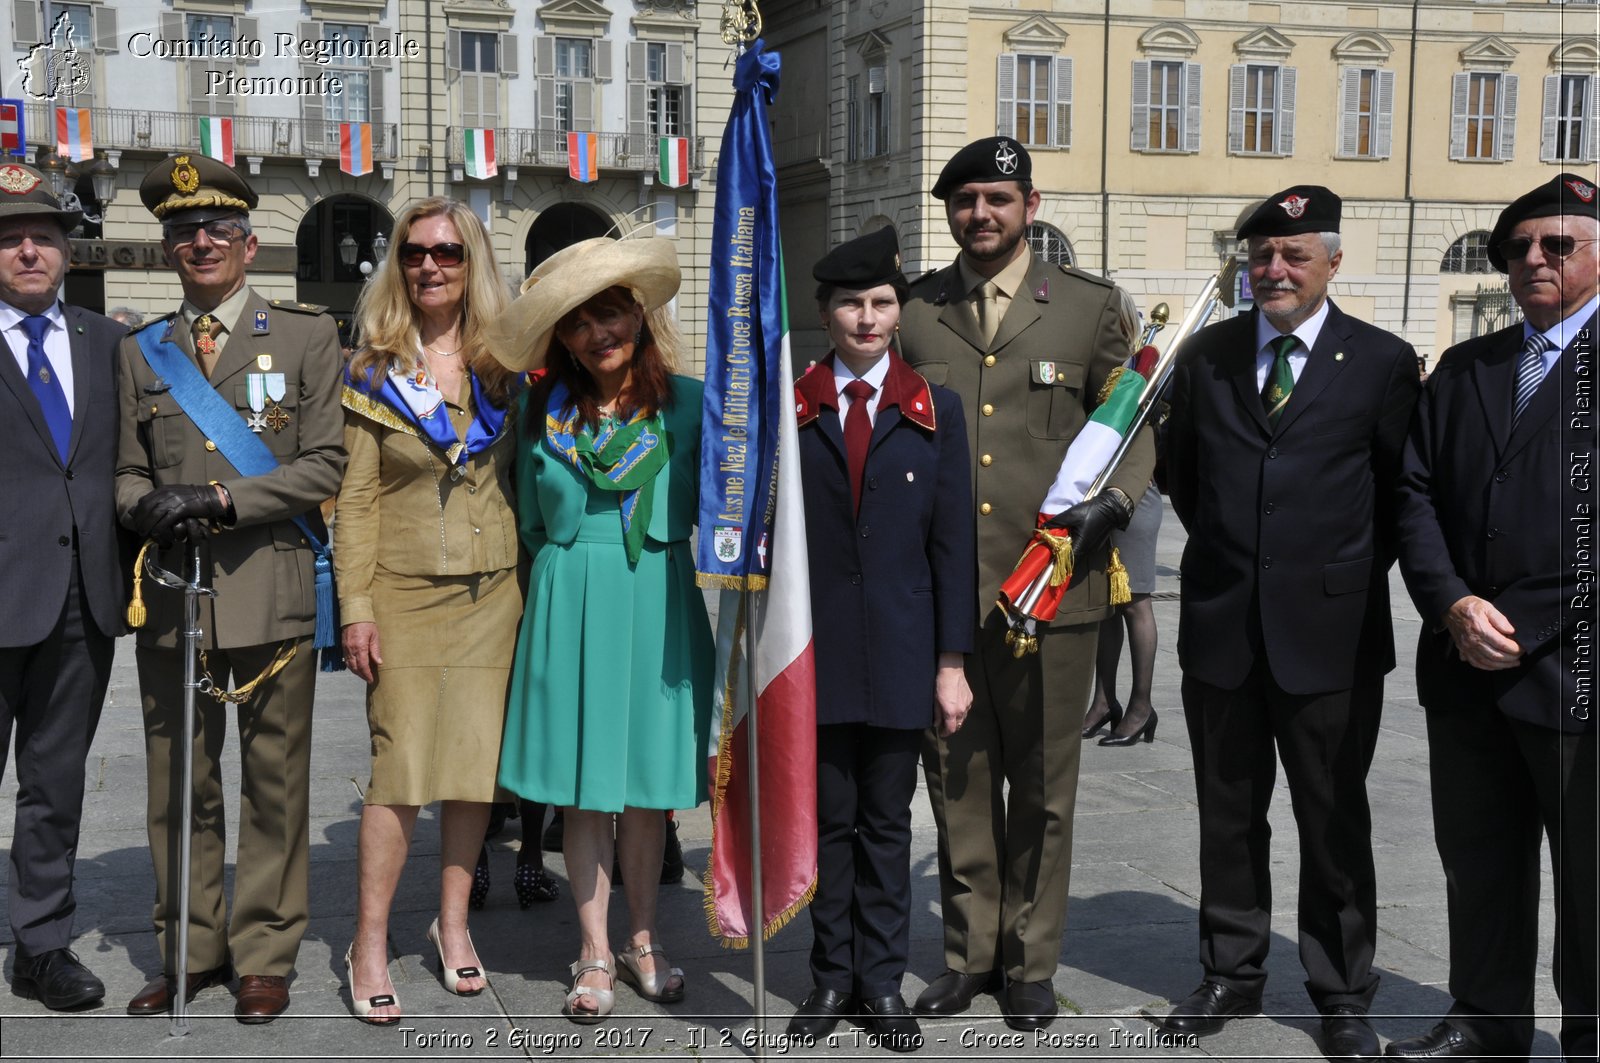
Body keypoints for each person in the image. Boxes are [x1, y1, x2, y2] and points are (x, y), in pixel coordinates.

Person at [898, 137, 1155, 1031]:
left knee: (1046, 788)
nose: (981, 214)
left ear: (1030, 205)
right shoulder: (917, 310)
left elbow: (1135, 421)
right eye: (965, 200)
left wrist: (1116, 503)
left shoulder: (1086, 310)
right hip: (948, 599)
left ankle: (1031, 961)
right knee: (959, 783)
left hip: (1055, 589)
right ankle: (969, 955)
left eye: (998, 198)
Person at [1159, 186, 1419, 1061]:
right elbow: (1186, 480)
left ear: (1332, 263)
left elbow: (1395, 495)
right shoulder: (1209, 357)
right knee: (1228, 812)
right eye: (1262, 255)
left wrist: (1331, 574)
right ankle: (1230, 969)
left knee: (1333, 814)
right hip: (1224, 627)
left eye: (1294, 255)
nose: (1274, 269)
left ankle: (1343, 988)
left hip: (1333, 634)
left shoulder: (1382, 361)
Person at [114, 154, 346, 1023]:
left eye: (215, 230)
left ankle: (264, 951)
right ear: (169, 248)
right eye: (181, 232)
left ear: (250, 245)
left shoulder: (303, 335)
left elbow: (324, 461)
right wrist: (146, 509)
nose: (198, 242)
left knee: (275, 782)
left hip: (271, 592)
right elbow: (127, 473)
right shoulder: (143, 353)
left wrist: (219, 497)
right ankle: (189, 947)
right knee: (181, 782)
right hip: (173, 595)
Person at [1386, 174, 1598, 1062]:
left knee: (1588, 880)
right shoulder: (1470, 367)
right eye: (1518, 248)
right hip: (1468, 668)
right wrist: (1453, 603)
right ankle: (1487, 1018)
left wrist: (1515, 619)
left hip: (1575, 670)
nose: (1534, 259)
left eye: (1559, 244)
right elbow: (1414, 492)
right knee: (1479, 861)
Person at [486, 237, 713, 1025]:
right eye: (577, 322)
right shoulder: (538, 408)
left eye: (610, 311)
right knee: (585, 792)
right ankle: (591, 947)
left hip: (655, 596)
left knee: (646, 792)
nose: (597, 332)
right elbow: (524, 514)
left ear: (639, 317)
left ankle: (643, 937)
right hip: (569, 594)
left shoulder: (690, 404)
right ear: (562, 339)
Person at [784, 227, 976, 1052]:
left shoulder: (933, 409)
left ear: (900, 312)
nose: (868, 317)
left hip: (902, 653)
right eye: (852, 303)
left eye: (883, 302)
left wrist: (952, 663)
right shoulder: (792, 408)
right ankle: (830, 976)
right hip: (817, 654)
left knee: (889, 824)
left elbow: (952, 546)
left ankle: (881, 980)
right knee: (829, 822)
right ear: (824, 312)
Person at [335, 197, 523, 1024]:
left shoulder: (507, 363)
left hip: (493, 592)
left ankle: (453, 928)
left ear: (471, 259)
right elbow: (357, 501)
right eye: (415, 254)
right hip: (405, 593)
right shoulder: (373, 370)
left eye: (447, 252)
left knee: (472, 769)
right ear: (398, 265)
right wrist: (356, 607)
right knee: (401, 769)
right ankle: (369, 941)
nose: (431, 267)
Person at [0, 163, 127, 1012]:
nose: (28, 250)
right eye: (10, 238)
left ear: (67, 249)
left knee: (56, 782)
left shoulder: (107, 343)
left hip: (81, 596)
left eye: (43, 235)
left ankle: (40, 943)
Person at [1083, 287, 1163, 747]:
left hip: (1133, 494)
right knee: (1105, 605)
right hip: (1096, 492)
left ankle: (1141, 705)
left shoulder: (1141, 369)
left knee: (1134, 601)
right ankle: (1103, 701)